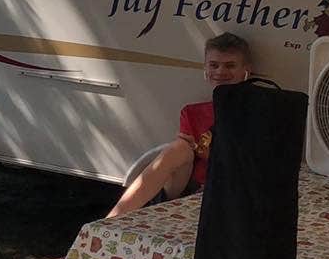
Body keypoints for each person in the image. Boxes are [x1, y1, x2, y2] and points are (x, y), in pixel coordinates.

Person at [106, 32, 253, 217]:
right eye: (214, 65)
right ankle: (112, 219)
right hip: (189, 187)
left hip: (230, 189)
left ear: (246, 71)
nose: (220, 72)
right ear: (206, 71)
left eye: (230, 65)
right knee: (179, 149)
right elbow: (186, 155)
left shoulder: (257, 112)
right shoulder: (191, 112)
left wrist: (203, 151)